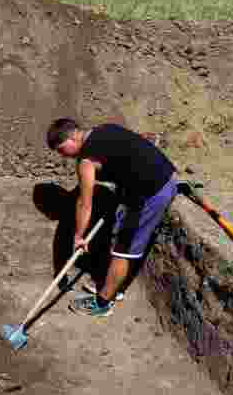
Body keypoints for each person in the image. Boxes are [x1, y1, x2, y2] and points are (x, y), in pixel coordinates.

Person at [46, 118, 179, 317]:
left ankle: (103, 302)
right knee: (118, 230)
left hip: (151, 193)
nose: (62, 155)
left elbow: (84, 203)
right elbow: (135, 146)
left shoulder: (86, 161)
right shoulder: (106, 128)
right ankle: (109, 280)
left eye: (61, 149)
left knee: (123, 249)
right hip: (166, 175)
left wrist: (79, 236)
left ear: (73, 137)